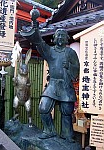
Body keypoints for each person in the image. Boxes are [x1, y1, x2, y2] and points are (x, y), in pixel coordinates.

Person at [20, 14, 80, 142]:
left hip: (65, 85)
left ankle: (67, 134)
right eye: (58, 35)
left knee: (66, 111)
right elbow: (40, 44)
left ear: (66, 39)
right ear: (54, 38)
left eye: (62, 36)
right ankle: (49, 131)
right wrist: (35, 28)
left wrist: (69, 66)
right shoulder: (50, 51)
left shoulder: (70, 52)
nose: (60, 37)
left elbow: (76, 67)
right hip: (52, 85)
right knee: (43, 108)